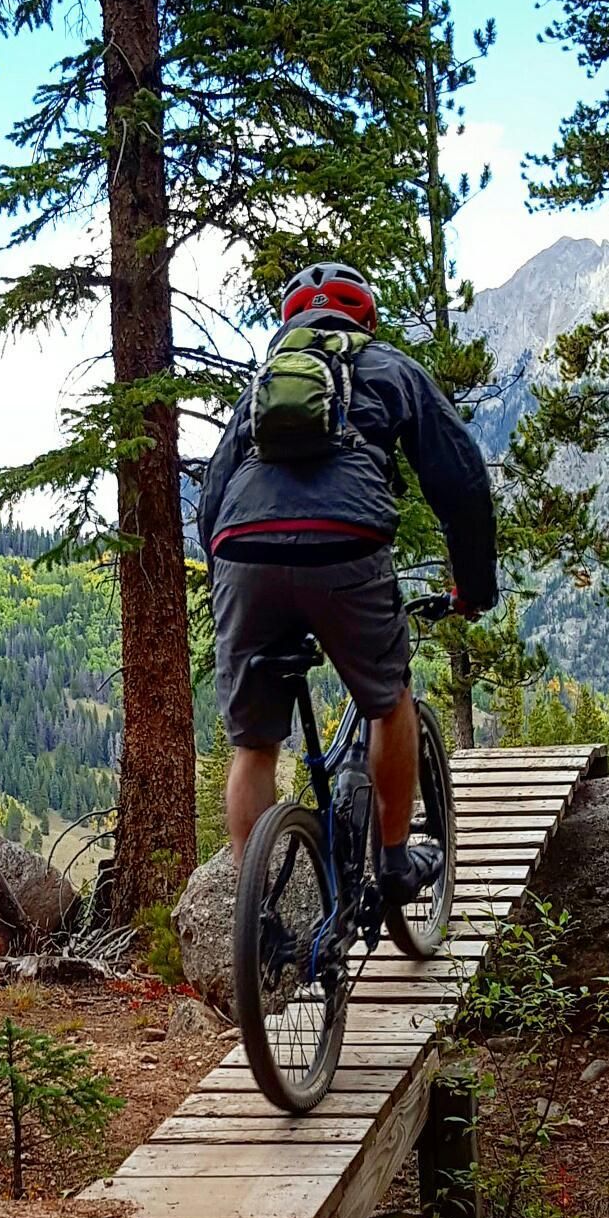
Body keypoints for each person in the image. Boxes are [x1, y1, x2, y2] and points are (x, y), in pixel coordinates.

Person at [197, 259, 497, 906]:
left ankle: (257, 913)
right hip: (345, 544)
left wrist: (233, 586)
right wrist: (474, 585)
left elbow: (212, 498)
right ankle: (394, 862)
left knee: (253, 746)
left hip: (242, 552)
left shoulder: (259, 388)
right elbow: (462, 480)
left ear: (289, 323)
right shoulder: (390, 367)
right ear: (366, 318)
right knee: (389, 701)